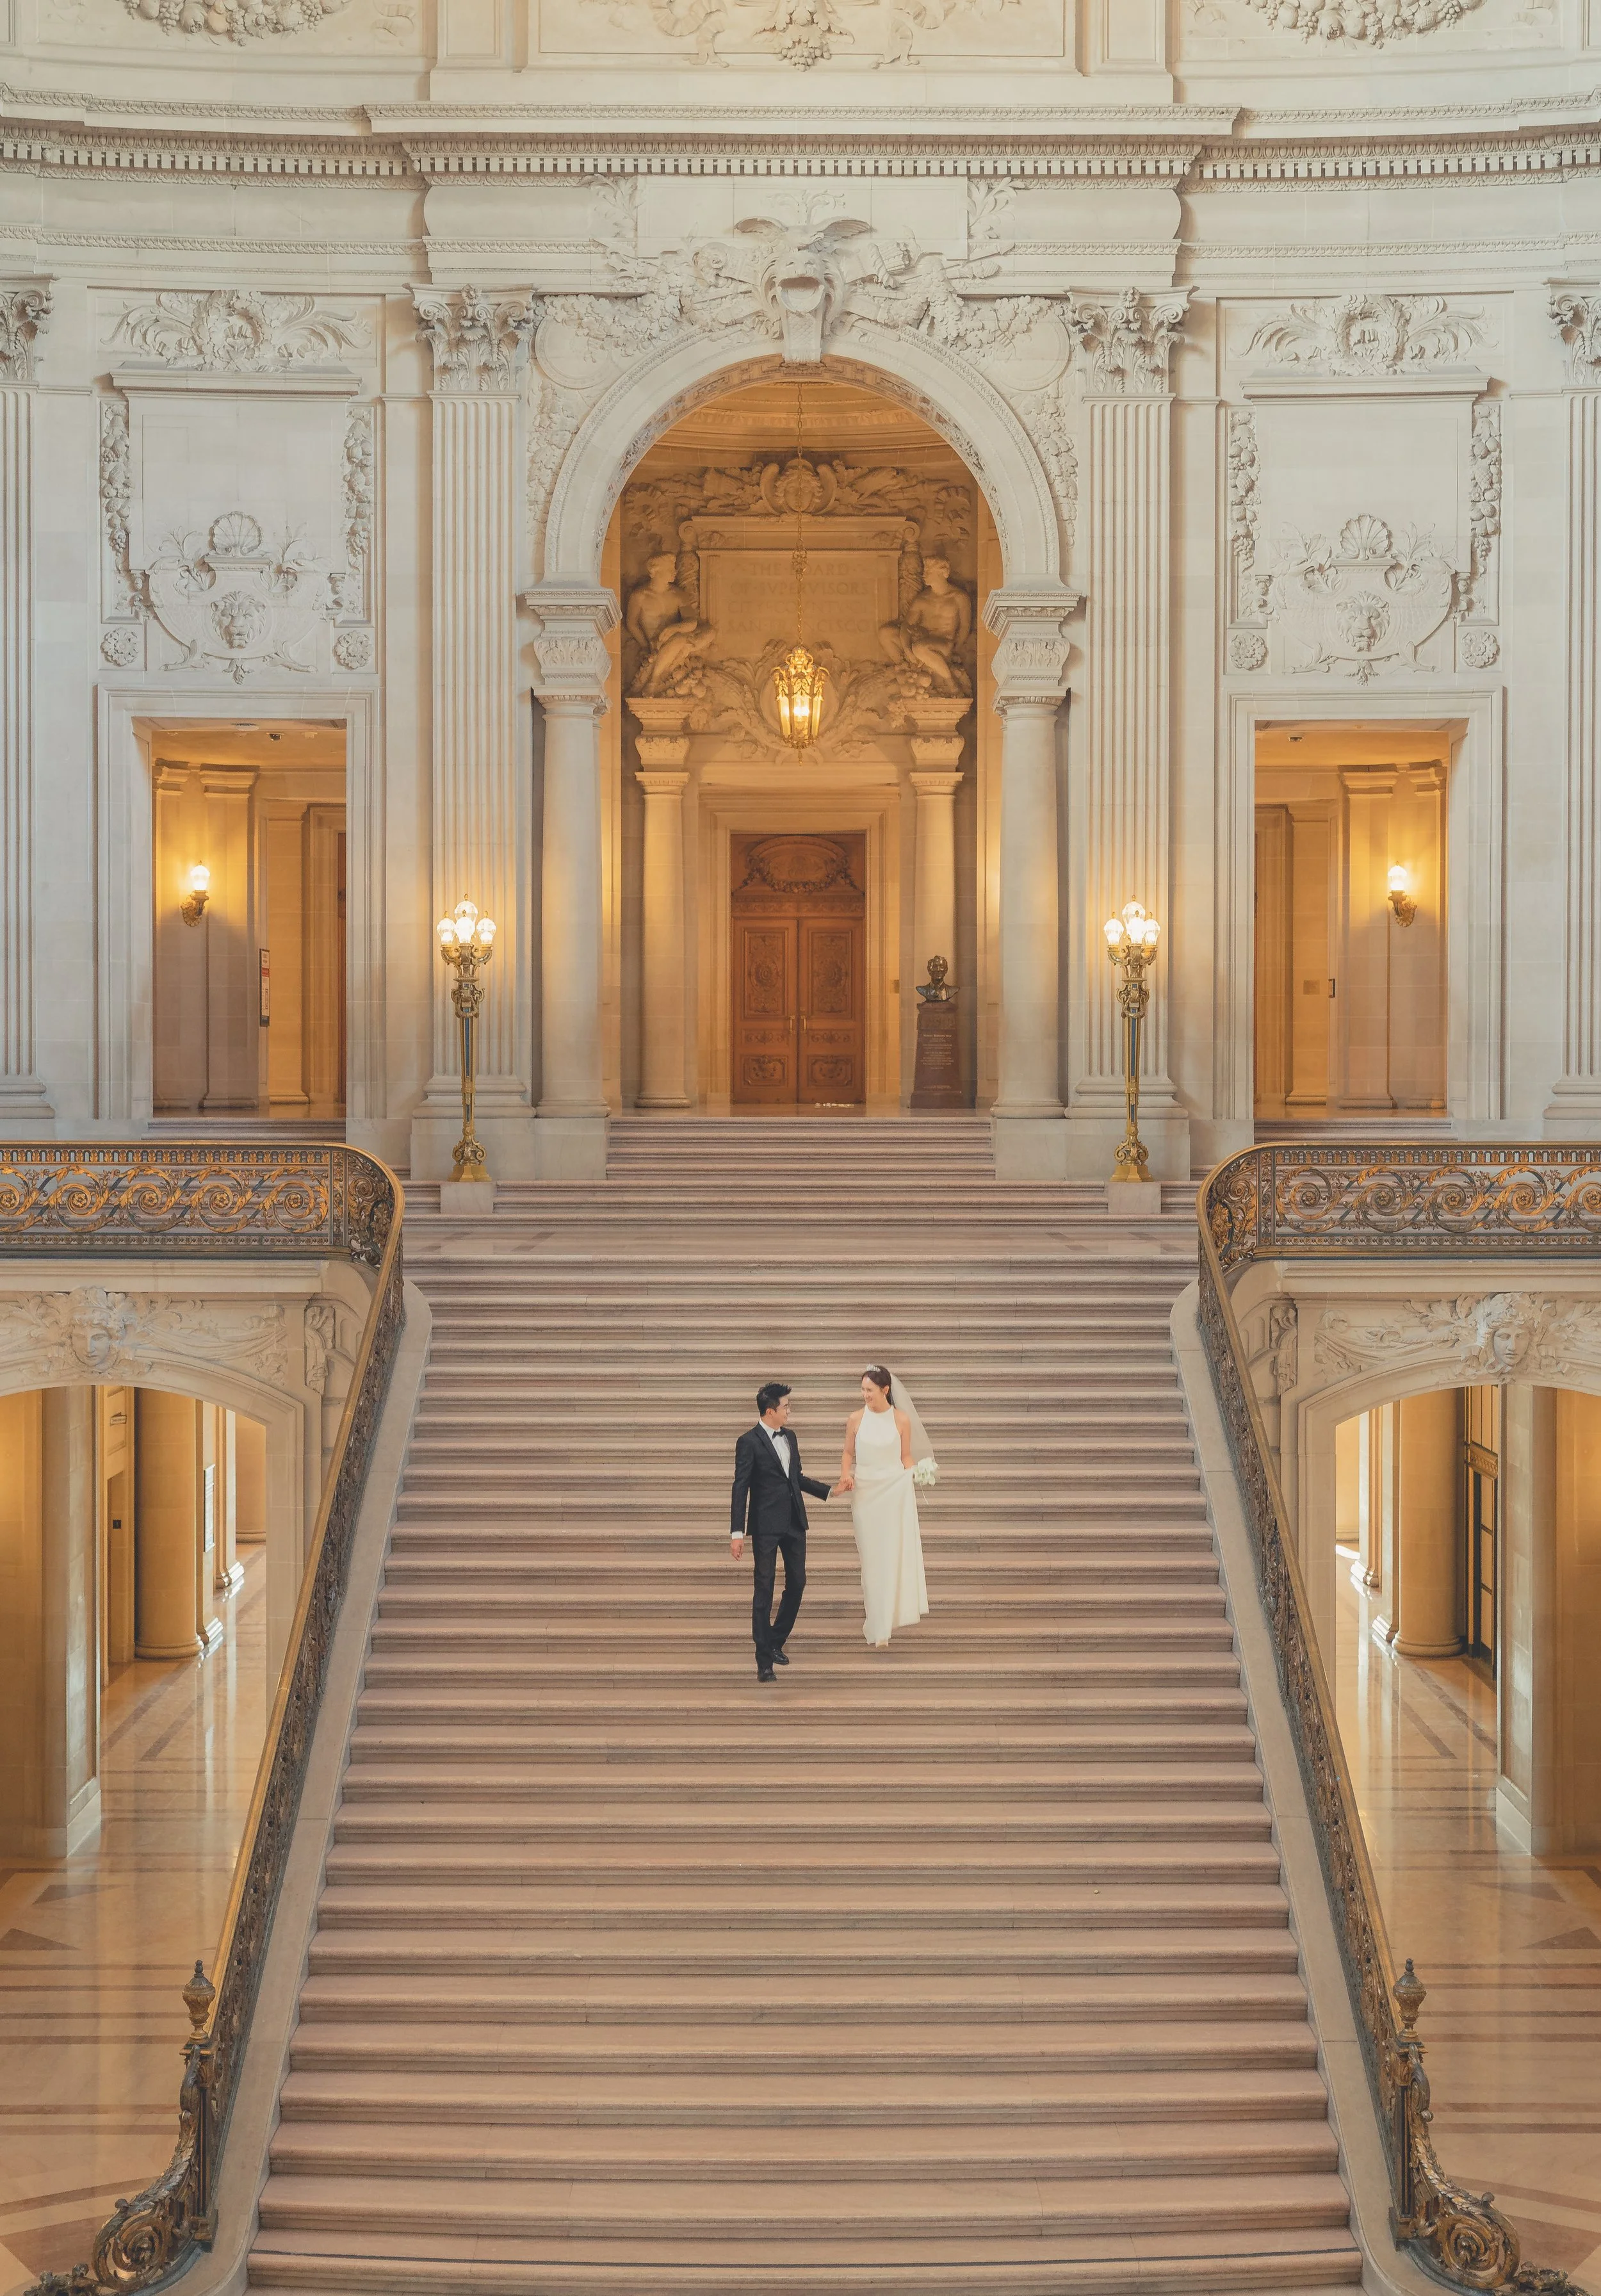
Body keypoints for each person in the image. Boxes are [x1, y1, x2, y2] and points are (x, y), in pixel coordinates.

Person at [729, 1381, 833, 1683]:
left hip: (793, 1523)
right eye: (786, 1407)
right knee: (764, 1589)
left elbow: (795, 1477)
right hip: (765, 1527)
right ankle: (764, 1660)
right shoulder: (748, 1442)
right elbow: (740, 1488)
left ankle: (774, 1640)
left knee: (798, 1583)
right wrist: (737, 1532)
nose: (790, 1411)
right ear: (770, 1410)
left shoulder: (791, 1437)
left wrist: (828, 1491)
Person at [836, 1362, 931, 1649]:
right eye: (863, 1389)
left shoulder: (901, 1420)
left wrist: (917, 1472)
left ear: (885, 1390)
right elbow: (848, 1453)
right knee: (871, 1556)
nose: (864, 1395)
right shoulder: (855, 1419)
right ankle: (876, 1619)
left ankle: (884, 1623)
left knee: (890, 1553)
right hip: (866, 1493)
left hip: (893, 1492)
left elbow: (905, 1457)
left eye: (870, 1390)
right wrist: (844, 1474)